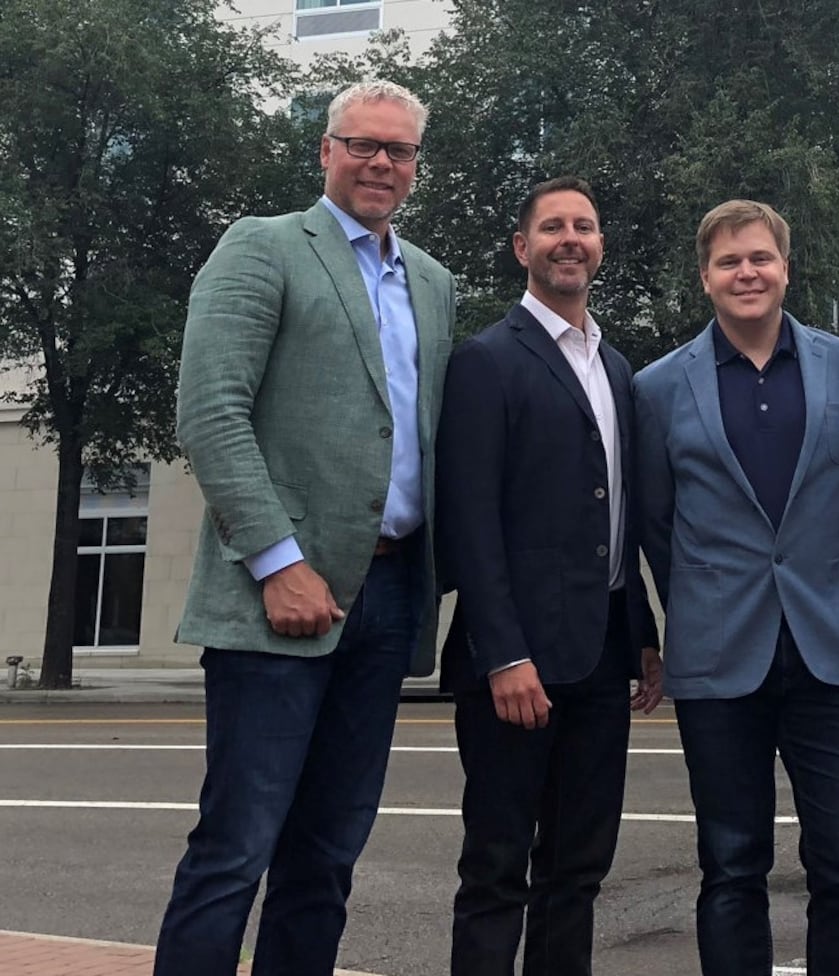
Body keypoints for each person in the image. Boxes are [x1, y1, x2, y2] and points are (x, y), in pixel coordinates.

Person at [155, 80, 455, 975]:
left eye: (397, 151)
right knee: (235, 851)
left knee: (326, 858)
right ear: (325, 151)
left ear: (414, 169)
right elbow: (210, 412)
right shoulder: (264, 248)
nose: (379, 162)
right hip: (276, 599)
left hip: (391, 594)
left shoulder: (434, 283)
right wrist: (277, 561)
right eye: (361, 144)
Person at [633, 199, 839, 976]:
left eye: (760, 258)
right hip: (719, 661)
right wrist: (700, 605)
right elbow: (656, 523)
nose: (747, 272)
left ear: (785, 266)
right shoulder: (657, 387)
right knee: (731, 869)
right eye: (729, 261)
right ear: (704, 277)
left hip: (832, 658)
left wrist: (828, 587)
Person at [436, 175, 663, 975]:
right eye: (554, 227)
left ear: (601, 246)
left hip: (601, 659)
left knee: (577, 870)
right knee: (498, 868)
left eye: (587, 227)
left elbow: (618, 517)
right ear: (522, 247)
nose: (572, 239)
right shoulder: (486, 361)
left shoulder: (620, 369)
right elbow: (470, 521)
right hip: (515, 663)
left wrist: (642, 636)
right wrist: (503, 654)